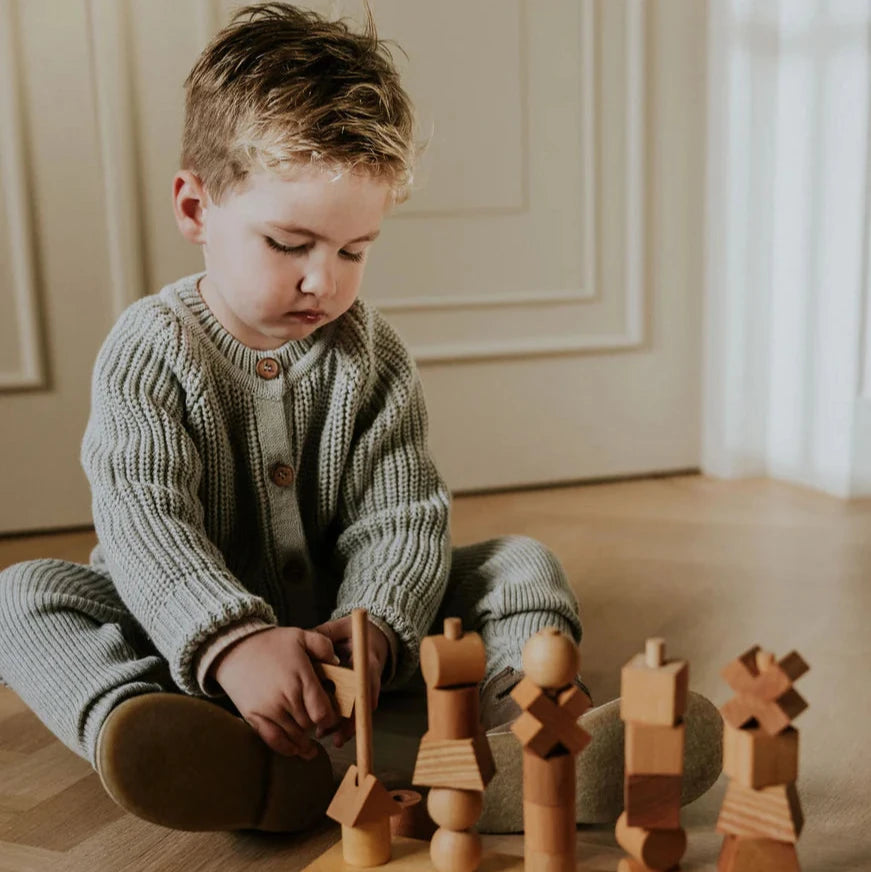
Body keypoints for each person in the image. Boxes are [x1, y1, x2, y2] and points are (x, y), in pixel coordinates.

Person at [0, 2, 721, 836]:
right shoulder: (150, 351)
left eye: (352, 251)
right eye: (289, 244)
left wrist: (375, 623)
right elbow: (144, 522)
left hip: (352, 640)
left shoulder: (371, 356)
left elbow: (402, 513)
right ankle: (185, 742)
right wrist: (233, 643)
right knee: (25, 596)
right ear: (196, 209)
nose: (324, 282)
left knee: (519, 564)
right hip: (187, 640)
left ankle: (521, 737)